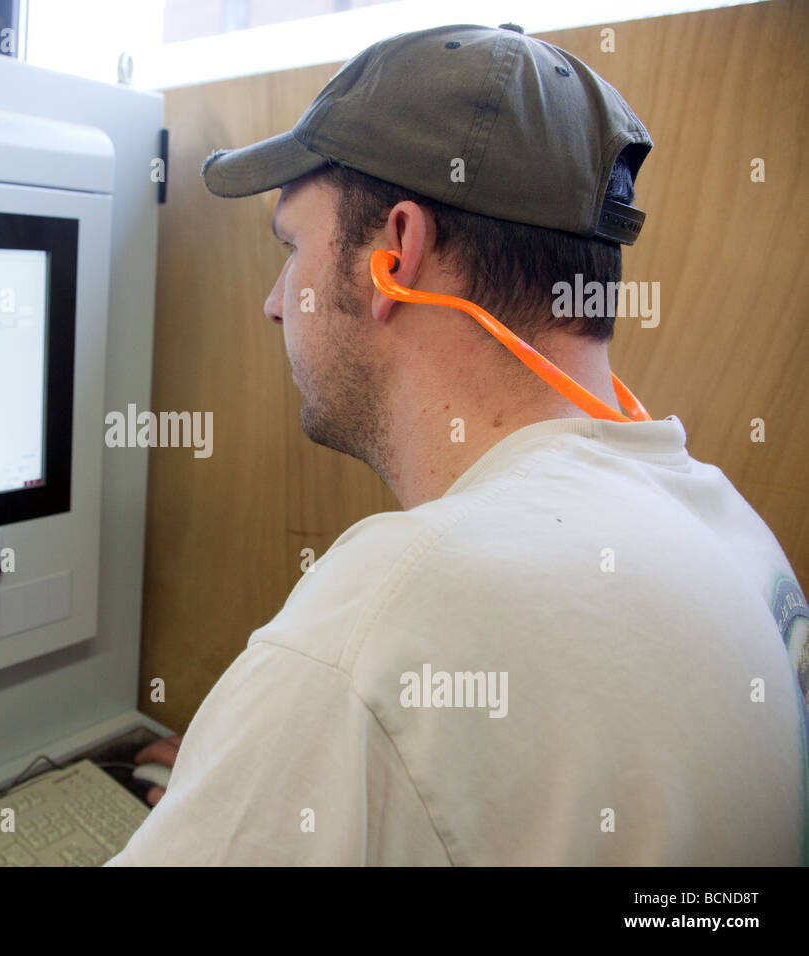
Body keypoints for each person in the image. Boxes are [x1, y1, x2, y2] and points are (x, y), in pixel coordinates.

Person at [106, 23, 808, 865]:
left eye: (292, 248)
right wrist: (268, 767)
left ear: (395, 251)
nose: (273, 302)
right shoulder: (729, 525)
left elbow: (384, 683)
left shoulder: (385, 623)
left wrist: (312, 714)